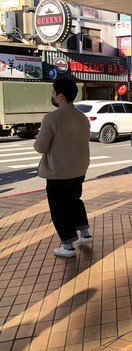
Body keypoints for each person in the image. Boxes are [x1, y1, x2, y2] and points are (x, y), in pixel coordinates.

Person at [34, 78, 92, 258]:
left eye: (53, 92)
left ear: (60, 96)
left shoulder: (51, 118)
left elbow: (40, 147)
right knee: (75, 201)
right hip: (79, 170)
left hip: (58, 173)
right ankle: (84, 234)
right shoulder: (82, 117)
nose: (52, 95)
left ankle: (67, 246)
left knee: (59, 209)